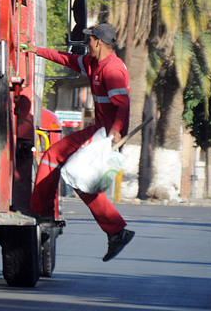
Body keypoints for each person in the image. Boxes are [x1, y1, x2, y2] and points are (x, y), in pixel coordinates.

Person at [23, 23, 135, 261]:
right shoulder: (93, 63)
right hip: (99, 131)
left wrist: (115, 131)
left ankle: (43, 214)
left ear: (99, 42)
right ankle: (115, 231)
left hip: (106, 136)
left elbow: (123, 106)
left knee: (68, 170)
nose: (86, 44)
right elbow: (67, 59)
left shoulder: (113, 70)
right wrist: (36, 50)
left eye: (89, 40)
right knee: (67, 170)